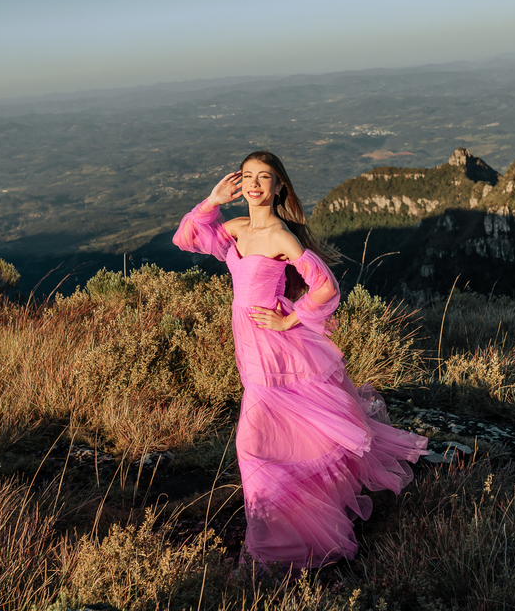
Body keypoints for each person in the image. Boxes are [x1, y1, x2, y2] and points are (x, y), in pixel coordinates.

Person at [173, 150, 429, 568]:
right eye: (248, 176)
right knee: (281, 436)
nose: (255, 184)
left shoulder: (279, 235)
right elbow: (186, 238)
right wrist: (212, 201)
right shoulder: (235, 229)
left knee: (251, 445)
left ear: (279, 187)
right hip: (250, 350)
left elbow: (325, 286)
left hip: (276, 351)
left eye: (265, 177)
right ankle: (287, 526)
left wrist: (290, 317)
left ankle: (269, 551)